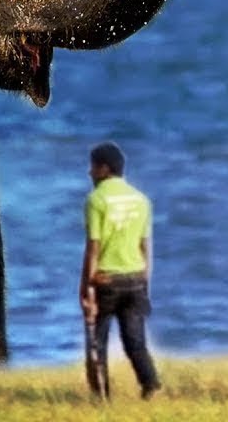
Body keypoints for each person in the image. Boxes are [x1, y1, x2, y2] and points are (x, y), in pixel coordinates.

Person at [79, 142, 161, 400]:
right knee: (135, 341)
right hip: (136, 277)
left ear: (104, 169)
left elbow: (94, 247)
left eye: (93, 167)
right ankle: (150, 386)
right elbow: (145, 246)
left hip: (106, 280)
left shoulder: (96, 199)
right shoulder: (141, 200)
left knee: (97, 342)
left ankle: (101, 399)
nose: (90, 173)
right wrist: (144, 281)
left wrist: (85, 287)